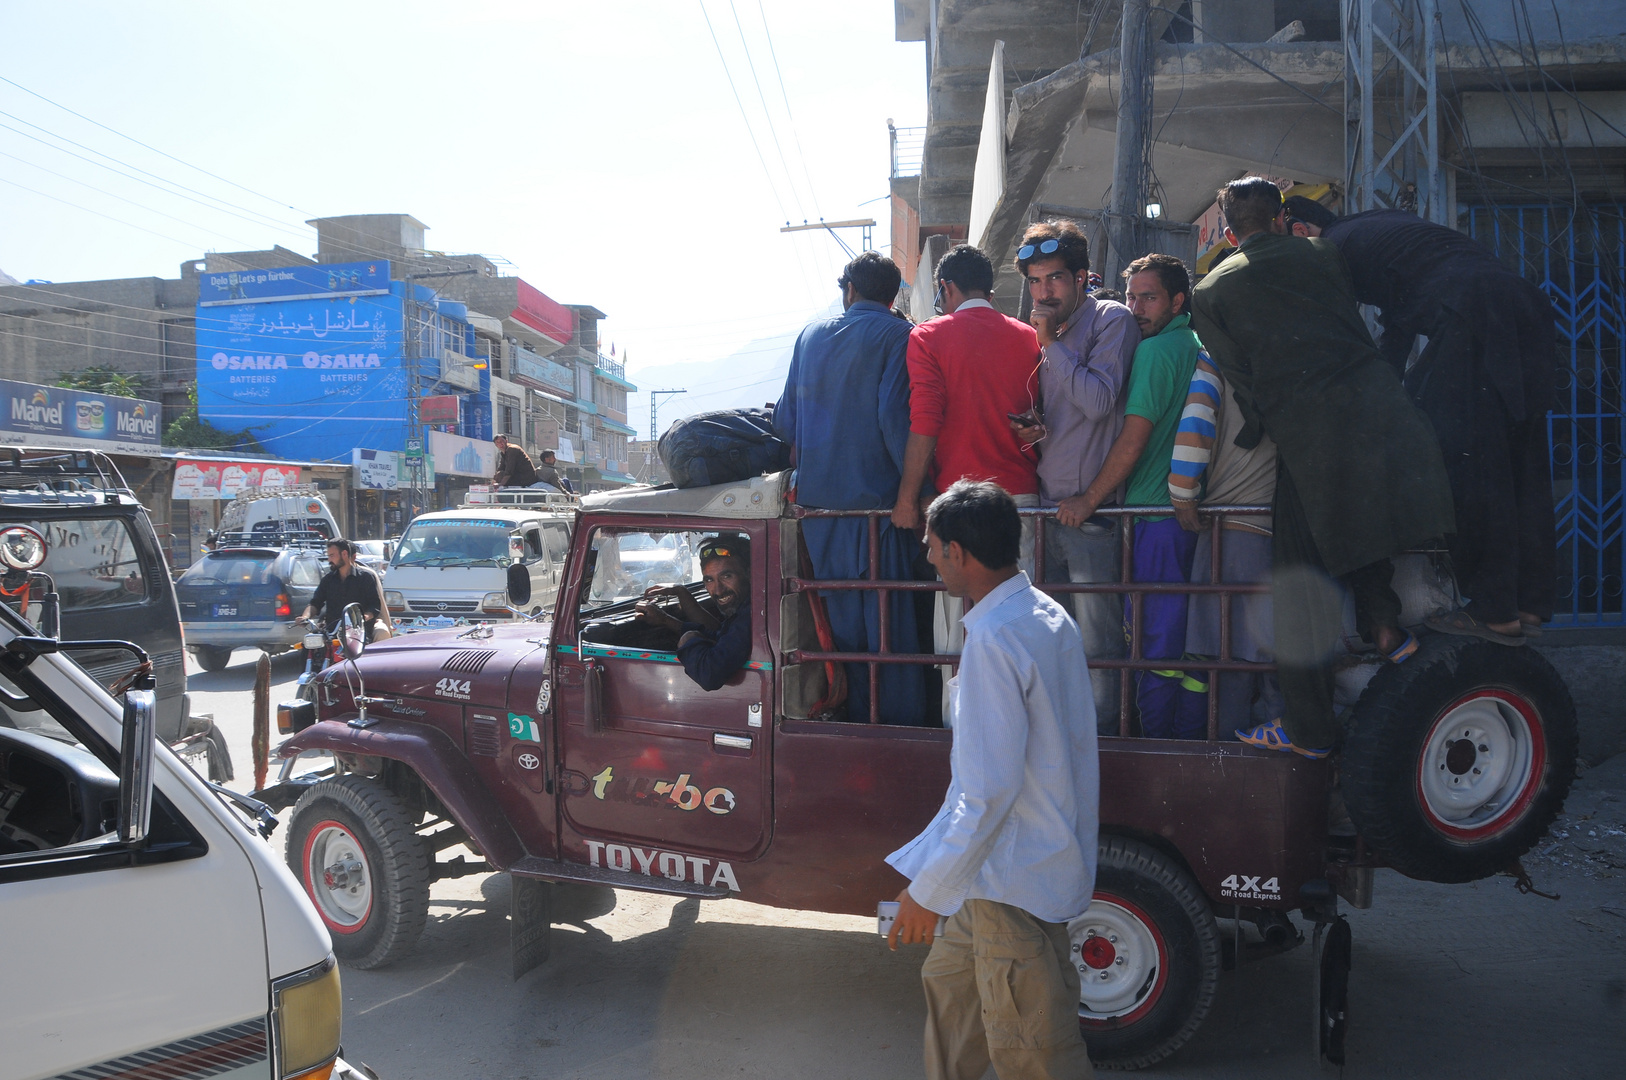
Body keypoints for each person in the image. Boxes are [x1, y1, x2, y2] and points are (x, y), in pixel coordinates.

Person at [1191, 177, 1455, 757]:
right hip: (1385, 410)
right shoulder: (1323, 252)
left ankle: (1308, 730)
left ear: (1230, 233)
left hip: (1311, 433)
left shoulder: (1210, 291)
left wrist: (1261, 430)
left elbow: (1244, 379)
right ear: (1283, 218)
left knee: (1297, 581)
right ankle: (1386, 628)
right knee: (1359, 516)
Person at [885, 480, 1097, 1080]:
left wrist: (927, 891)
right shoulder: (1041, 613)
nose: (927, 558)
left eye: (932, 547)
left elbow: (989, 792)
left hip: (1013, 878)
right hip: (998, 871)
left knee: (1032, 1051)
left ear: (961, 554)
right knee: (950, 991)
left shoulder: (996, 639)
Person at [1285, 194, 1557, 644]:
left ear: (1300, 231)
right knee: (1520, 466)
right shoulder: (1377, 226)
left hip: (1470, 314)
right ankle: (1527, 602)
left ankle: (1493, 609)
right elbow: (1397, 333)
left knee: (1466, 461)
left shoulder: (1331, 248)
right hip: (1524, 310)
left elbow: (1346, 334)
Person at [1048, 253, 1205, 738]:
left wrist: (1088, 499)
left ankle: (1154, 745)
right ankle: (1187, 740)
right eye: (1132, 296)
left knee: (1154, 644)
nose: (1136, 307)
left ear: (1178, 300)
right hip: (1177, 516)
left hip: (1158, 519)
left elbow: (1133, 439)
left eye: (1149, 297)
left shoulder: (1158, 353)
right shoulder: (1192, 343)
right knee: (1185, 640)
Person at [892, 245, 1043, 718]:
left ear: (946, 289)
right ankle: (1024, 721)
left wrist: (906, 497)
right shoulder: (1027, 337)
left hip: (958, 502)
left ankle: (962, 732)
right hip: (1022, 497)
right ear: (990, 290)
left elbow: (926, 420)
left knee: (957, 628)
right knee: (1021, 617)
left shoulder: (929, 336)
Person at [775, 252, 925, 724]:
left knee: (842, 632)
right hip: (878, 514)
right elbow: (895, 421)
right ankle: (896, 732)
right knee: (891, 631)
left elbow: (785, 421)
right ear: (893, 295)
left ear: (850, 290)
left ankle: (857, 721)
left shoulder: (810, 334)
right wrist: (917, 493)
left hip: (821, 513)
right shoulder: (899, 335)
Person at [1009, 219, 1140, 734]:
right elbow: (1068, 417)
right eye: (1036, 282)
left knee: (1099, 645)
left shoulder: (1111, 319)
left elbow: (1099, 400)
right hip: (1046, 512)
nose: (1044, 292)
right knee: (1055, 641)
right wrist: (1034, 432)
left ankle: (1104, 745)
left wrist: (1048, 345)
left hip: (1093, 516)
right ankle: (1062, 743)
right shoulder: (1053, 334)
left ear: (1082, 277)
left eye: (1056, 279)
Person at [1167, 351, 1281, 736]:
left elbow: (1196, 425)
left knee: (1230, 664)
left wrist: (1183, 495)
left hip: (1231, 530)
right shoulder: (1288, 354)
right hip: (1279, 528)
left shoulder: (1218, 359)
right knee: (1273, 664)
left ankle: (1232, 761)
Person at [636, 537, 751, 692]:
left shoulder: (751, 616)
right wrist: (666, 619)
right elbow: (719, 635)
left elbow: (709, 674)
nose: (718, 590)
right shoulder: (746, 609)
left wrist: (688, 640)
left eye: (726, 576)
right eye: (709, 580)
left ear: (750, 574)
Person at [302, 538, 390, 640]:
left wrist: (362, 618)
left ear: (344, 554)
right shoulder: (327, 580)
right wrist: (305, 617)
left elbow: (374, 606)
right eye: (328, 556)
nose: (329, 560)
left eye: (332, 556)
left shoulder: (366, 577)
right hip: (332, 632)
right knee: (308, 648)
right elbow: (315, 603)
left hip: (360, 632)